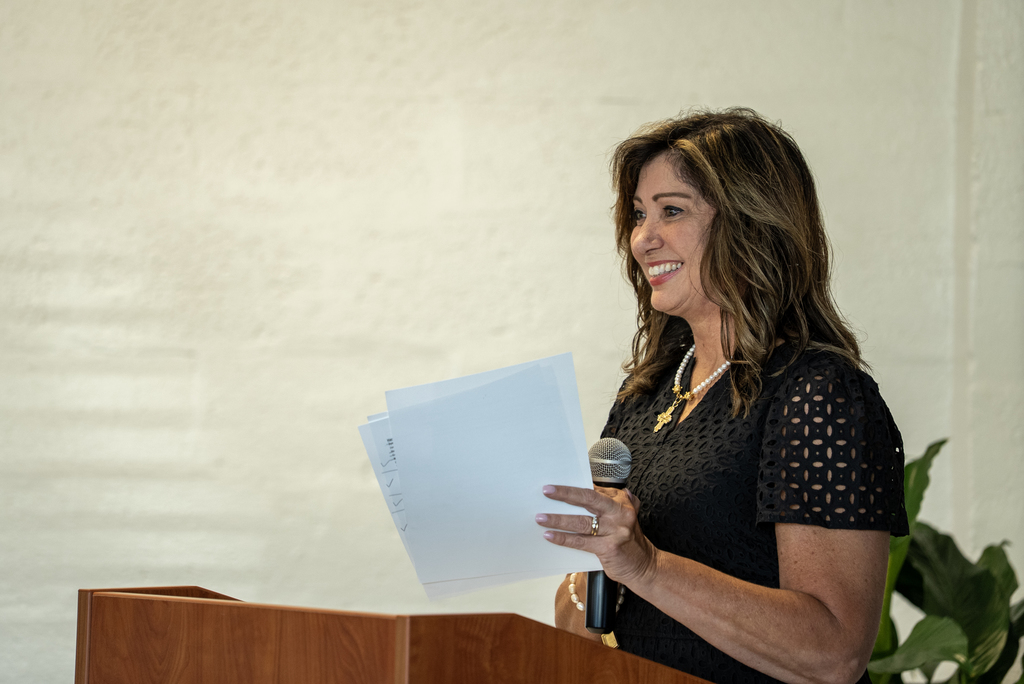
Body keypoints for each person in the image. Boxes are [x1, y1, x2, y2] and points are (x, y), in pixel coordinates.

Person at [535, 108, 908, 684]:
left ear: (750, 224)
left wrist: (647, 567)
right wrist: (592, 566)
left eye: (672, 211)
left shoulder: (818, 394)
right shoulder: (645, 394)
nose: (643, 238)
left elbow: (833, 653)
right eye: (639, 214)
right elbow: (583, 621)